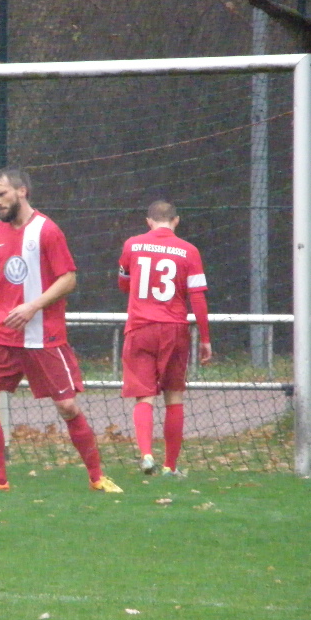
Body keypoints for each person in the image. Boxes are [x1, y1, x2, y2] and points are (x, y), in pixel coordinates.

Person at [0, 167, 122, 493]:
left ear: (21, 191)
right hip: (1, 334)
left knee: (67, 407)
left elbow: (69, 279)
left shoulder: (48, 231)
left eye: (2, 194)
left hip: (43, 335)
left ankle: (97, 478)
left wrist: (33, 305)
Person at [118, 200, 212, 478]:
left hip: (140, 327)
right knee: (173, 397)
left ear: (148, 222)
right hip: (173, 329)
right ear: (176, 221)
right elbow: (197, 296)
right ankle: (170, 466)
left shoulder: (132, 245)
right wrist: (205, 338)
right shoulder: (189, 251)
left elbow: (123, 283)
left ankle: (146, 454)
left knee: (143, 397)